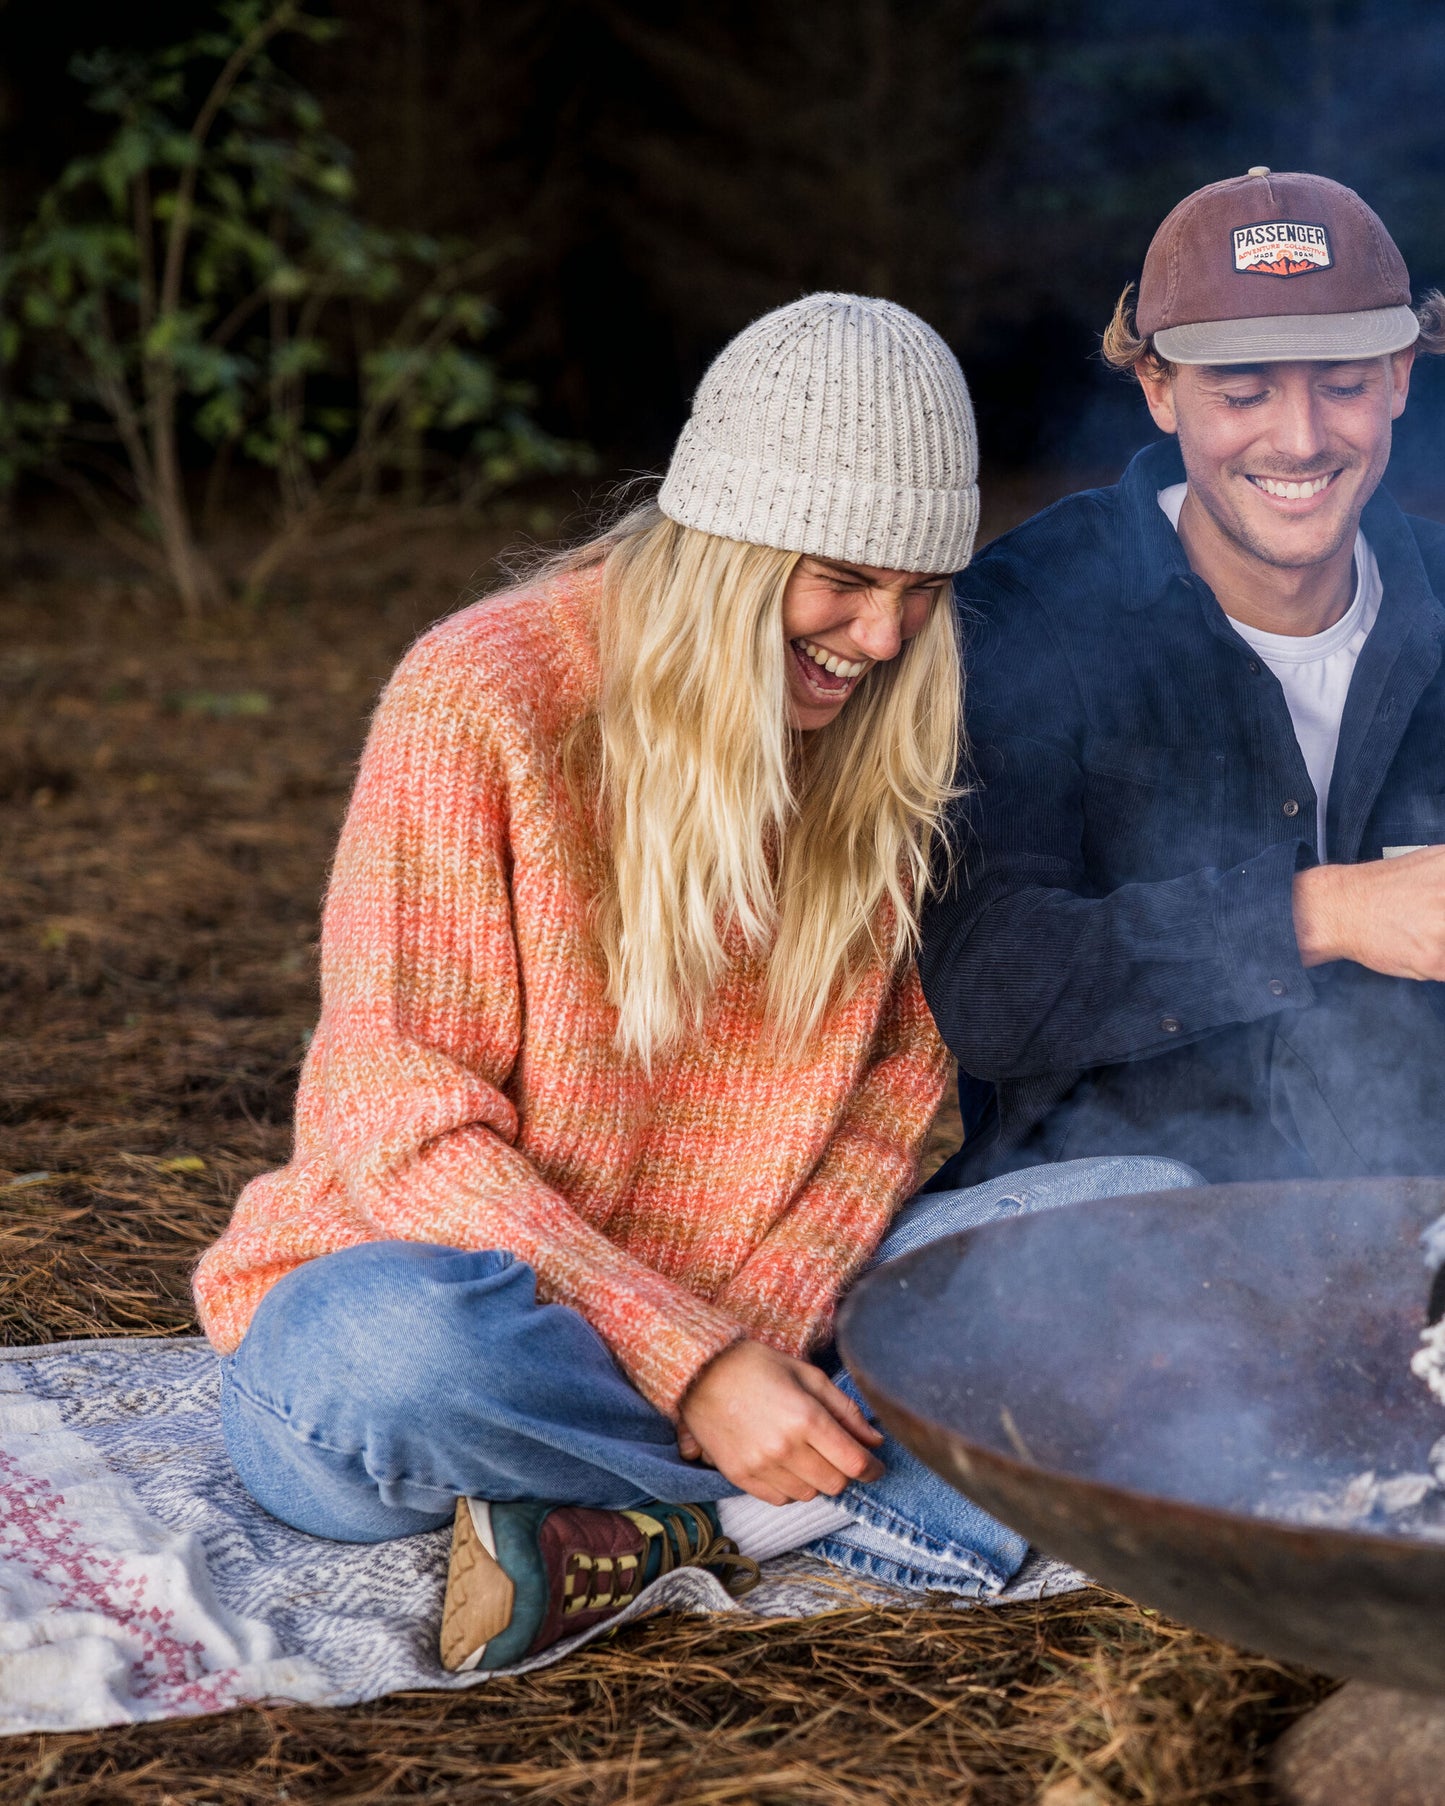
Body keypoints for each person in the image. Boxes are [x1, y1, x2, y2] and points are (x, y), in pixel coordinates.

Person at [193, 293, 1199, 1675]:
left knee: (1144, 1219)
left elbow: (887, 1116)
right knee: (375, 1349)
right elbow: (396, 1116)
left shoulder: (897, 732)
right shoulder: (482, 695)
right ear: (732, 538)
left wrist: (753, 1347)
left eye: (921, 588)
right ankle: (826, 1505)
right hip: (474, 1336)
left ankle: (661, 1525)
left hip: (772, 1325)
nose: (884, 635)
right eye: (843, 579)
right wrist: (693, 1366)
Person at [920, 169, 1445, 1187]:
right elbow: (991, 985)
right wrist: (1320, 913)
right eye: (1242, 393)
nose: (1299, 439)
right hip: (1113, 1209)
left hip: (1409, 1197)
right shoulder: (1027, 609)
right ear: (1158, 390)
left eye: (1341, 385)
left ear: (1397, 378)